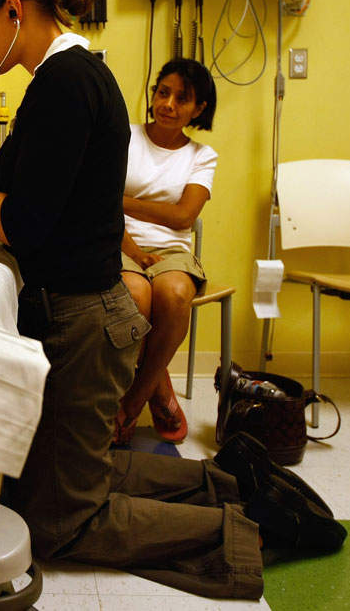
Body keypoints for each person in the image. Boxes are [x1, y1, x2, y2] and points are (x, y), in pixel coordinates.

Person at [0, 0, 344, 600]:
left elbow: (23, 222)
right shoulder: (56, 82)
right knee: (60, 479)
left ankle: (244, 530)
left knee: (59, 519)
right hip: (82, 315)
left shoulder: (68, 83)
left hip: (86, 322)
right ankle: (229, 480)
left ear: (15, 11)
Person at [115, 59, 219, 446]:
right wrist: (133, 246)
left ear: (199, 109)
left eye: (182, 98)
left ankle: (132, 400)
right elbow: (99, 203)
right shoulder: (123, 136)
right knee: (136, 295)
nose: (169, 104)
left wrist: (121, 199)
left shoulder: (201, 156)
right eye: (163, 92)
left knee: (174, 294)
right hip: (120, 241)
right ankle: (159, 390)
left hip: (172, 250)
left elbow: (183, 216)